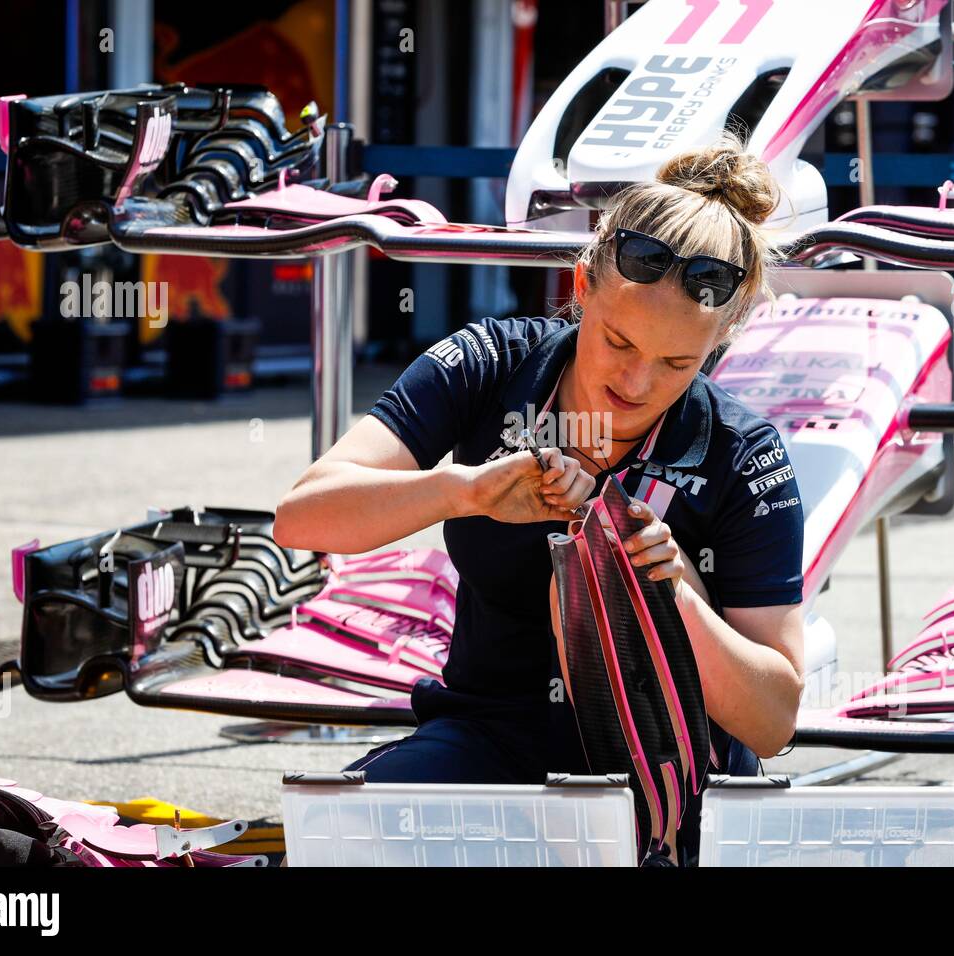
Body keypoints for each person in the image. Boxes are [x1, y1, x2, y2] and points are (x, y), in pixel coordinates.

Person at [273, 132, 805, 865]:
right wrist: (464, 490)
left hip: (668, 773)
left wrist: (675, 596)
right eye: (617, 341)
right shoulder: (489, 362)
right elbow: (302, 517)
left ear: (720, 343)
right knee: (338, 839)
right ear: (581, 286)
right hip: (490, 735)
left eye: (677, 362)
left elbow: (774, 718)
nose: (637, 384)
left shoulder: (743, 454)